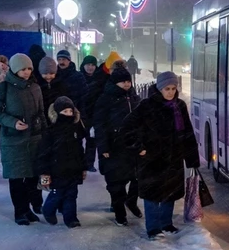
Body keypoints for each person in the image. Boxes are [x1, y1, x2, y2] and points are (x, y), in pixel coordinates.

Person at [121, 71, 199, 239]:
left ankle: (166, 223)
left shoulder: (179, 106)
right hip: (152, 159)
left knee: (170, 193)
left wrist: (192, 158)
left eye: (173, 88)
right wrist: (139, 148)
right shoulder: (147, 106)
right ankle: (153, 228)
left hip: (174, 158)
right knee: (152, 195)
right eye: (166, 89)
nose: (170, 92)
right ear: (159, 88)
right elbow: (127, 127)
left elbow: (187, 133)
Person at [0, 53, 46, 225]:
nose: (27, 72)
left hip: (34, 140)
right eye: (22, 69)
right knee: (17, 179)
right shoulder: (4, 88)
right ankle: (19, 211)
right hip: (13, 141)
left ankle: (28, 209)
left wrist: (44, 132)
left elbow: (41, 112)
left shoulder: (35, 87)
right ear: (14, 69)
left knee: (31, 178)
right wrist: (13, 123)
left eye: (29, 68)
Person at [93, 66, 142, 226]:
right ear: (115, 83)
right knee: (116, 182)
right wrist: (103, 147)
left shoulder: (134, 97)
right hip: (114, 146)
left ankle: (131, 201)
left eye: (128, 81)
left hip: (133, 145)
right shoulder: (105, 99)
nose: (127, 84)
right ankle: (119, 210)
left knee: (137, 177)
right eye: (123, 82)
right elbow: (99, 125)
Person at [37, 96, 87, 228]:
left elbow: (79, 149)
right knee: (57, 194)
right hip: (56, 169)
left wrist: (83, 167)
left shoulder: (75, 129)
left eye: (70, 112)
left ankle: (71, 218)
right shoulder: (51, 131)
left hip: (73, 168)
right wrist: (44, 172)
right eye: (65, 112)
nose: (68, 115)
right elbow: (43, 153)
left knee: (71, 195)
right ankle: (48, 210)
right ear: (57, 113)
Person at [81, 55, 108, 171]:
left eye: (93, 65)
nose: (90, 67)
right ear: (84, 65)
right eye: (88, 65)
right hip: (81, 113)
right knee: (77, 141)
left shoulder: (99, 79)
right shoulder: (79, 77)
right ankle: (79, 163)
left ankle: (89, 163)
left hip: (95, 113)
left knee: (91, 140)